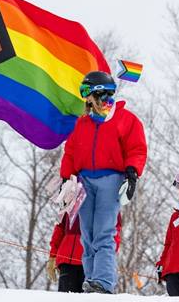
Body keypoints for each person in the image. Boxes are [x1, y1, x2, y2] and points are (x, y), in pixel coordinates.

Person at [59, 71, 147, 293]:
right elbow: (70, 152)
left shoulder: (126, 119)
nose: (85, 99)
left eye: (87, 93)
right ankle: (92, 281)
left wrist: (132, 172)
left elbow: (137, 148)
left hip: (111, 178)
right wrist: (65, 178)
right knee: (87, 234)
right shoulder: (83, 123)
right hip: (84, 181)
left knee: (104, 231)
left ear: (100, 92)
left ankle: (104, 282)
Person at [47, 213, 122, 293]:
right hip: (67, 262)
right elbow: (60, 227)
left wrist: (107, 258)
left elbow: (113, 232)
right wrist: (52, 256)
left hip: (91, 262)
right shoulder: (69, 201)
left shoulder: (106, 202)